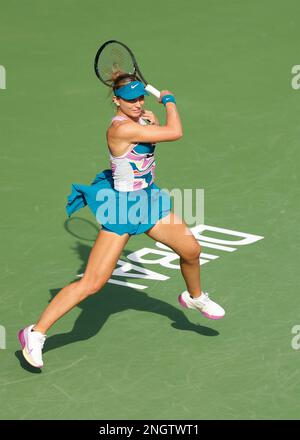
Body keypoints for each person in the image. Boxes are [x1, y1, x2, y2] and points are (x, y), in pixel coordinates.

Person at [18, 72, 225, 369]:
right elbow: (175, 132)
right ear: (116, 101)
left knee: (191, 251)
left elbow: (152, 138)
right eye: (130, 100)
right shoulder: (120, 130)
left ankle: (195, 297)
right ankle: (35, 333)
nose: (137, 103)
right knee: (92, 284)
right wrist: (169, 100)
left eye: (140, 97)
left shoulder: (141, 119)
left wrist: (151, 120)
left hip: (149, 201)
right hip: (123, 209)